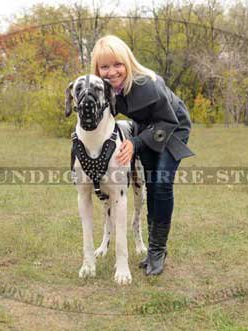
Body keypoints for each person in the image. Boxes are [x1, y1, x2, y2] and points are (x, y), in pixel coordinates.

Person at [90, 35, 195, 276]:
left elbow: (168, 120)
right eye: (104, 67)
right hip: (145, 129)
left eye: (117, 64)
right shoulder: (105, 90)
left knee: (161, 184)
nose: (112, 72)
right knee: (149, 184)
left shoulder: (148, 84)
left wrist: (136, 142)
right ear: (97, 69)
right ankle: (152, 251)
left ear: (127, 62)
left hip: (172, 127)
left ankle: (157, 251)